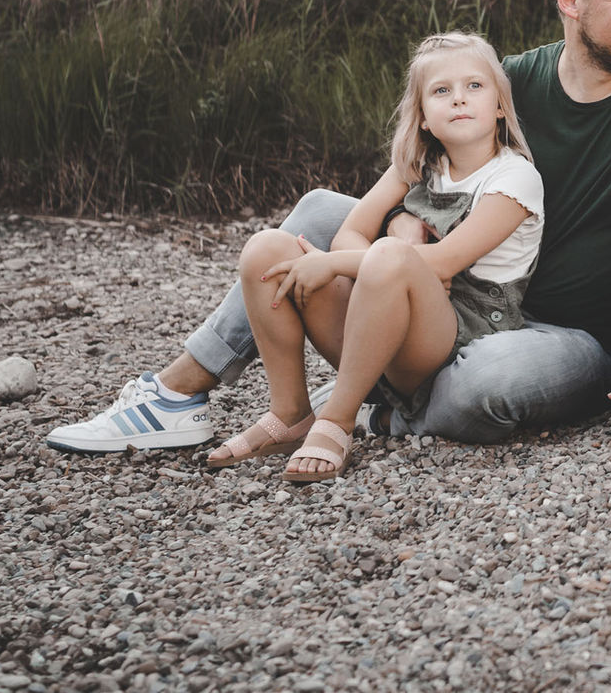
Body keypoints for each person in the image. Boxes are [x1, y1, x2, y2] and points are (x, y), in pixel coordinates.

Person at [47, 0, 611, 452]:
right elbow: (406, 174)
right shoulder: (507, 82)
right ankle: (176, 395)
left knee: (487, 385)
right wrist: (399, 232)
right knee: (317, 212)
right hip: (456, 294)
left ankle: (371, 410)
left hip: (570, 334)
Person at [206, 32, 544, 482]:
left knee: (390, 254)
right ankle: (290, 413)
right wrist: (386, 267)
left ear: (500, 106)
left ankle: (338, 418)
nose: (459, 99)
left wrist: (346, 264)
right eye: (441, 90)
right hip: (385, 331)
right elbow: (349, 234)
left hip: (462, 341)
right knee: (265, 250)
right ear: (423, 118)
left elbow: (442, 263)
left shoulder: (515, 177)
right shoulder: (418, 165)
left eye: (475, 86)